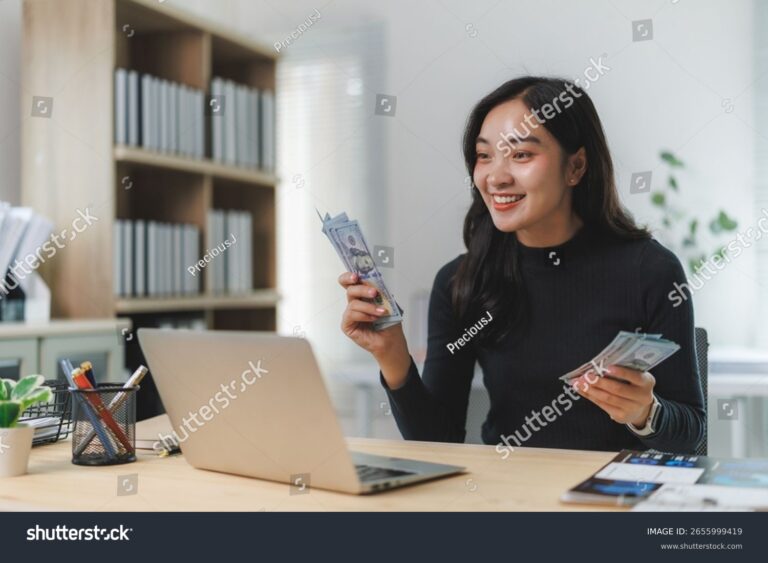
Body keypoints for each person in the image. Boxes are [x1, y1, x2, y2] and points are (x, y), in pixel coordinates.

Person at [338, 76, 705, 454]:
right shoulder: (461, 281)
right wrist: (392, 356)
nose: (496, 178)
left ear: (576, 166)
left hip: (614, 487)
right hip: (509, 486)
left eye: (521, 155)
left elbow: (691, 434)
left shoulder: (651, 271)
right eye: (485, 156)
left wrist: (646, 413)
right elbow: (439, 442)